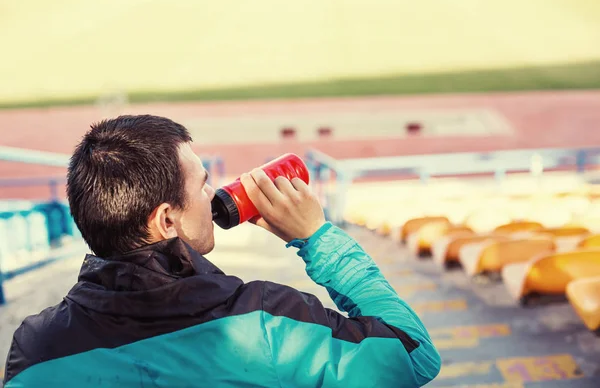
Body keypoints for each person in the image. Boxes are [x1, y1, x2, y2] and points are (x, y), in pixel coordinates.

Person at [3, 115, 441, 387]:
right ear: (167, 220)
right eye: (201, 183)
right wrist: (317, 237)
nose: (212, 192)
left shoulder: (35, 348)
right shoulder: (265, 321)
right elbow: (414, 357)